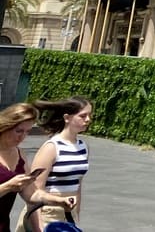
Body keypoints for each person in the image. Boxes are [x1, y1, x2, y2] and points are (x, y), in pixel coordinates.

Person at [16, 98, 91, 232]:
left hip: (68, 211)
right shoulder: (51, 147)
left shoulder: (83, 147)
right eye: (83, 116)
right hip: (46, 212)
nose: (88, 119)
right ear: (67, 118)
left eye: (90, 115)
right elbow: (35, 190)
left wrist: (76, 217)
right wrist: (38, 226)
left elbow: (78, 185)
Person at [0, 104, 76, 232]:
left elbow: (32, 194)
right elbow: (10, 186)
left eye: (27, 132)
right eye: (19, 131)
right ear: (5, 126)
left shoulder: (20, 155)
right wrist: (8, 186)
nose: (22, 137)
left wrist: (58, 201)